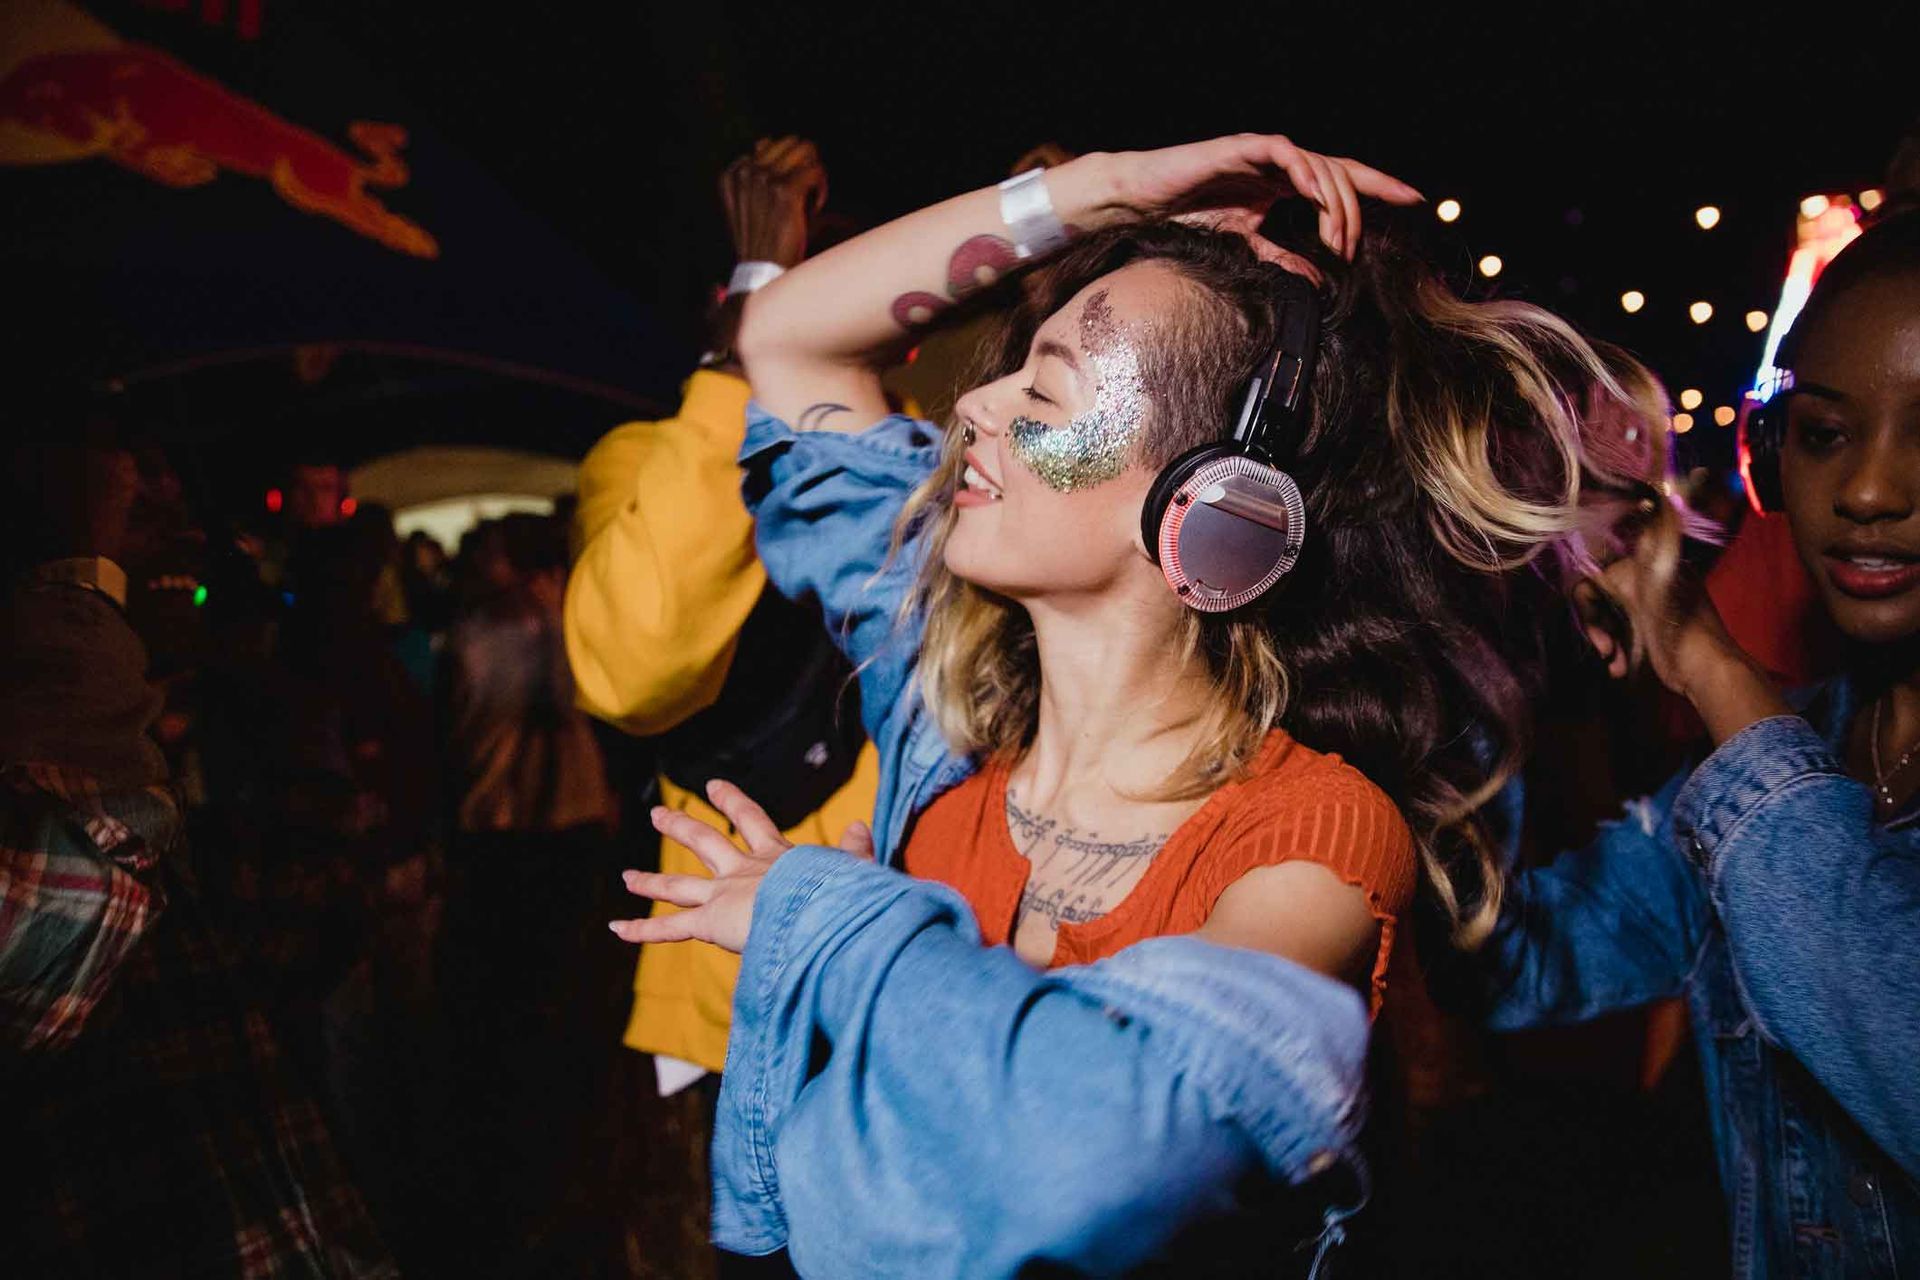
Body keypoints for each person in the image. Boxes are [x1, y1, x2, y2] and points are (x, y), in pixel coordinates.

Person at [610, 133, 1672, 1275]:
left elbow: (1095, 1148)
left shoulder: (1312, 834)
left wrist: (826, 920)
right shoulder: (942, 717)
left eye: (1047, 387)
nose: (973, 402)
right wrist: (1103, 193)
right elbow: (786, 335)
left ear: (1217, 508)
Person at [1465, 210, 1920, 1277]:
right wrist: (1491, 623)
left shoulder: (1756, 749)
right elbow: (1519, 959)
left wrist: (1712, 664)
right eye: (1826, 432)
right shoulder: (1800, 743)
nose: (1867, 492)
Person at [565, 135, 878, 1279]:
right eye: (805, 295)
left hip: (918, 989)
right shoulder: (648, 453)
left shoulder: (930, 462)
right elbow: (633, 663)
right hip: (730, 1008)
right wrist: (761, 300)